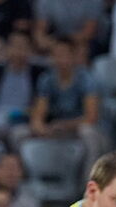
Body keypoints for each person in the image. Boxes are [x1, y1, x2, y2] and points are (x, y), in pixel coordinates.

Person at [27, 37, 105, 175]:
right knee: (19, 134)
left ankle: (89, 181)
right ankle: (30, 180)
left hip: (80, 128)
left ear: (74, 56)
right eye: (56, 55)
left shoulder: (87, 79)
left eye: (64, 55)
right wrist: (40, 127)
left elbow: (91, 117)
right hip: (56, 128)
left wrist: (64, 125)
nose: (60, 60)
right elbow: (38, 114)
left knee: (88, 133)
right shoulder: (46, 79)